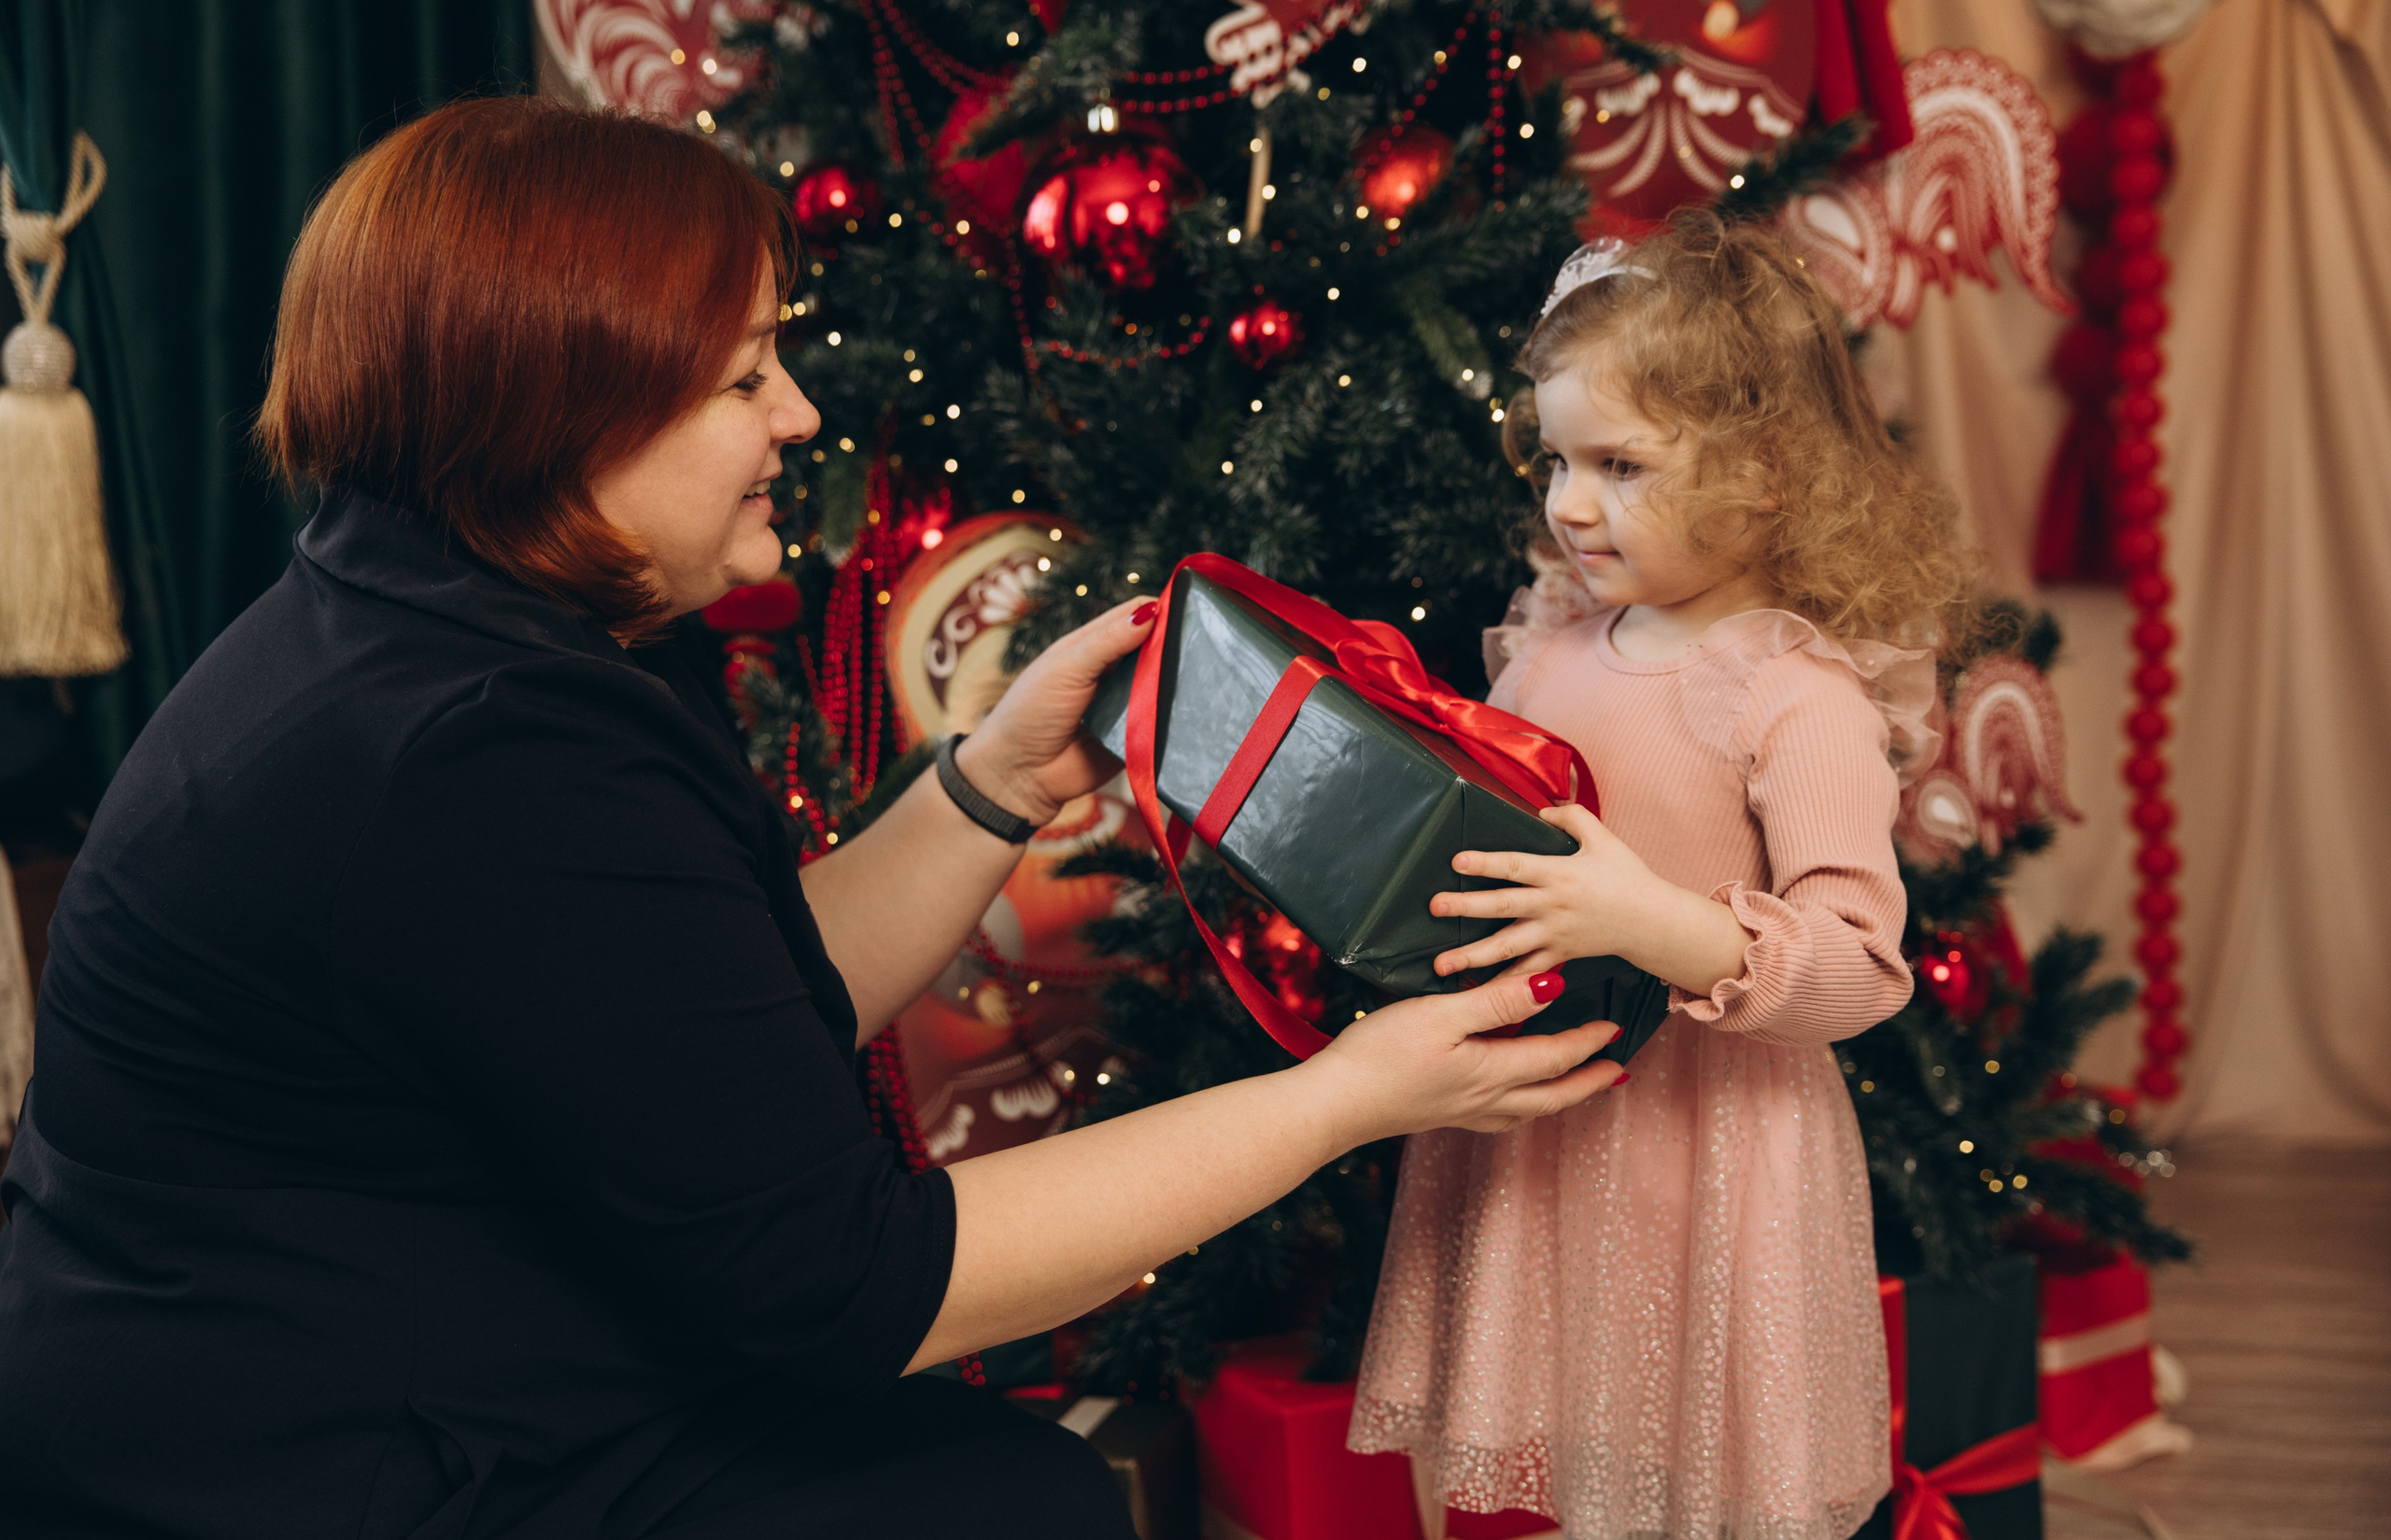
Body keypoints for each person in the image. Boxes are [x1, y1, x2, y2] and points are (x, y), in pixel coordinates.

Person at [0, 97, 1628, 1540]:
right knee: (1009, 1504)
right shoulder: (472, 748)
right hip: (299, 1468)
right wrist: (1344, 1098)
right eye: (743, 378)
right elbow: (858, 1291)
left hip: (374, 1374)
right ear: (566, 409)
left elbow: (727, 1006)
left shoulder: (440, 626)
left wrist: (989, 782)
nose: (795, 417)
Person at [1349, 214, 1967, 1540]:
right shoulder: (1555, 642)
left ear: (1767, 475)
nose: (1570, 503)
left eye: (1619, 465)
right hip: (1546, 1124)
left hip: (1709, 1148)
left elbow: (1859, 966)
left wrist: (1648, 918)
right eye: (1557, 458)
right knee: (1565, 1466)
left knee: (1691, 1472)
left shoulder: (1794, 697)